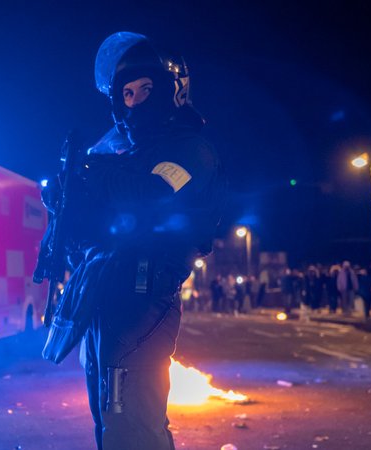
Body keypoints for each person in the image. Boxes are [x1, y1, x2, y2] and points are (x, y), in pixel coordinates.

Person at [44, 32, 224, 450]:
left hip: (143, 299)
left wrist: (96, 177)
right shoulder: (121, 154)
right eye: (127, 92)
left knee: (131, 426)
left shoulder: (191, 150)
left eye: (146, 89)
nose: (136, 100)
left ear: (173, 90)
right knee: (110, 421)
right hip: (103, 296)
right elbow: (99, 227)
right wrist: (66, 203)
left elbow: (150, 194)